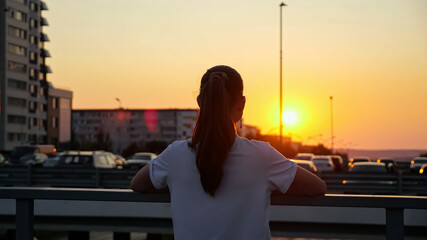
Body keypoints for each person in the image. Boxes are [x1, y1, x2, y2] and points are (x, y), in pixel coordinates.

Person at [131, 65, 326, 240]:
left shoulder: (175, 155)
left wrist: (178, 182)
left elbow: (137, 184)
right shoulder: (261, 157)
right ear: (241, 104)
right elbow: (317, 187)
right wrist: (263, 184)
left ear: (200, 102)